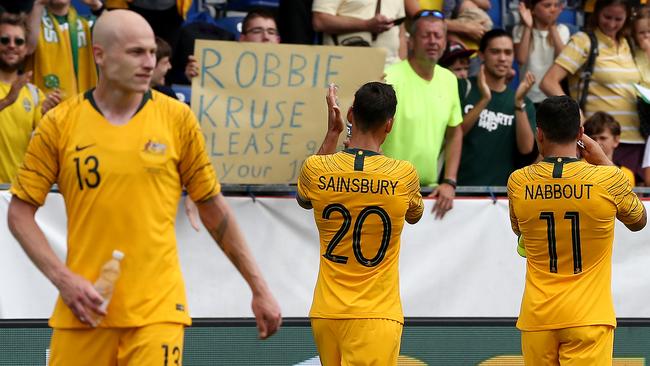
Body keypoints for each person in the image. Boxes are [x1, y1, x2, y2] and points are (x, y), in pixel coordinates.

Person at [7, 10, 282, 365]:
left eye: (152, 52)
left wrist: (259, 288)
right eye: (136, 52)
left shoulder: (177, 118)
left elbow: (213, 207)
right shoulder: (60, 123)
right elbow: (19, 211)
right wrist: (63, 279)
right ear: (100, 55)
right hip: (84, 309)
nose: (149, 62)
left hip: (157, 310)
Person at [508, 95, 646, 365]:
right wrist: (605, 160)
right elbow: (639, 220)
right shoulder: (608, 179)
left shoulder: (519, 182)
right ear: (581, 134)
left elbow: (519, 230)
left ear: (539, 134)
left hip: (538, 318)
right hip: (589, 317)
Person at [297, 82, 424, 365]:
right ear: (389, 124)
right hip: (375, 315)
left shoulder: (316, 168)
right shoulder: (403, 175)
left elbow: (304, 199)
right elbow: (415, 215)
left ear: (351, 114)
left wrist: (333, 133)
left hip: (326, 312)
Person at [540, 0, 644, 182]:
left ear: (628, 18)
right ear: (596, 14)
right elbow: (549, 82)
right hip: (598, 140)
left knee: (629, 204)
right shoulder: (583, 41)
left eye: (618, 18)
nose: (612, 24)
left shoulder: (630, 44)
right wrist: (578, 116)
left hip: (634, 141)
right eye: (607, 17)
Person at [381, 9, 463, 219]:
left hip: (430, 193)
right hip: (387, 191)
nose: (433, 41)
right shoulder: (389, 77)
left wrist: (449, 180)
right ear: (411, 41)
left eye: (438, 36)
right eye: (426, 35)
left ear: (445, 41)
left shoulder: (449, 79)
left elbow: (455, 133)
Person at [457, 29, 536, 186]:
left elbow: (526, 149)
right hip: (457, 192)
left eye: (508, 53)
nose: (502, 58)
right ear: (481, 55)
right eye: (495, 52)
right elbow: (454, 135)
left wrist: (518, 102)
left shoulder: (523, 101)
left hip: (499, 197)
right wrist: (485, 99)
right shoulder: (461, 88)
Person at [0, 15, 59, 184]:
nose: (12, 45)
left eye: (18, 42)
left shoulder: (34, 93)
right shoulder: (17, 94)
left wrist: (48, 114)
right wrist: (7, 101)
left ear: (26, 49)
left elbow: (44, 147)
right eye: (4, 40)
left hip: (19, 193)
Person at [25, 0, 101, 101]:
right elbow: (28, 48)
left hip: (81, 107)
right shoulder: (32, 20)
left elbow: (118, 38)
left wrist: (98, 6)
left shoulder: (87, 22)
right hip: (44, 107)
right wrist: (38, 4)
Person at [184, 9, 280, 80]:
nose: (266, 37)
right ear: (242, 39)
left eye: (271, 32)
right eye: (257, 31)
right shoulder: (219, 69)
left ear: (278, 40)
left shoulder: (291, 75)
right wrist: (194, 79)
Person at [311, 0, 405, 67]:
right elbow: (320, 21)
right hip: (346, 68)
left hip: (390, 68)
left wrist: (401, 64)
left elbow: (401, 32)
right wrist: (366, 25)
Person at [513, 0, 569, 106]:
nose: (553, 9)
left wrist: (552, 27)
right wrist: (528, 27)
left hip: (552, 96)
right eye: (547, 5)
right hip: (528, 95)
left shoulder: (562, 30)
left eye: (556, 5)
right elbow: (521, 59)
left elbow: (564, 60)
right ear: (533, 10)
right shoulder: (520, 30)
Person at [584, 111, 636, 186]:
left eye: (603, 138)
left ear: (616, 140)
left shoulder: (626, 174)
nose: (597, 143)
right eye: (593, 139)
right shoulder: (579, 167)